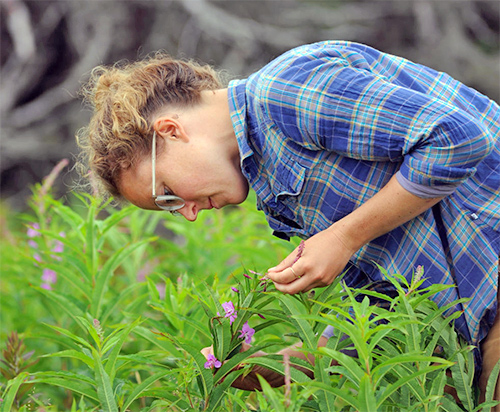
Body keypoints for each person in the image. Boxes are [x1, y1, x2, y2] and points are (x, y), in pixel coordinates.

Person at [76, 40, 499, 404]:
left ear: (169, 130)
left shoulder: (285, 90)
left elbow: (457, 139)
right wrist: (275, 365)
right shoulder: (272, 177)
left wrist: (344, 236)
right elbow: (388, 309)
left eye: (167, 193)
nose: (186, 213)